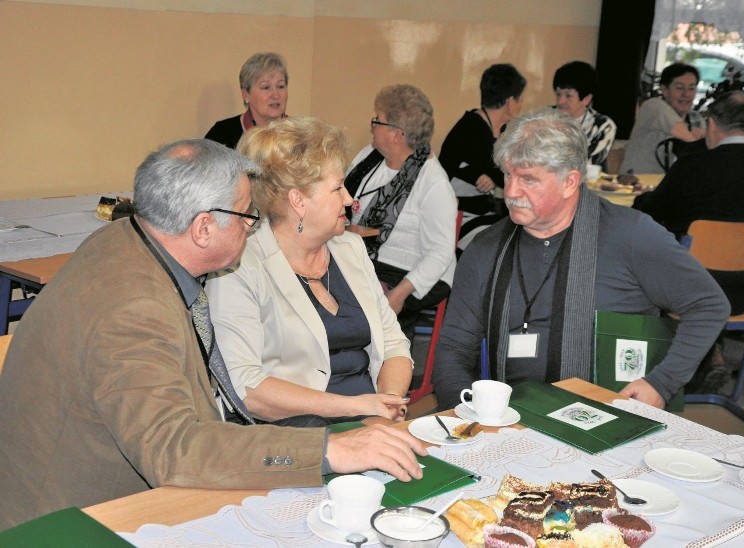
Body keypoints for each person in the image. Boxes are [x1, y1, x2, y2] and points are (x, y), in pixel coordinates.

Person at [0, 139, 425, 530]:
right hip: (72, 516)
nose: (254, 225)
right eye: (246, 216)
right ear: (203, 228)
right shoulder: (135, 309)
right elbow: (174, 448)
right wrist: (332, 449)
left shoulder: (127, 240)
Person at [432, 109, 729, 411]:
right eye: (507, 174)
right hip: (512, 418)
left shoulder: (630, 236)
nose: (510, 191)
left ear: (570, 182)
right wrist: (466, 413)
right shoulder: (486, 248)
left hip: (611, 417)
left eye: (528, 179)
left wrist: (661, 383)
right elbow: (454, 349)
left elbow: (708, 305)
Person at [207, 117, 413, 426]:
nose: (350, 199)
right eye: (338, 188)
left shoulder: (350, 248)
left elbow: (394, 343)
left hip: (369, 420)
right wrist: (352, 408)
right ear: (298, 201)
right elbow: (246, 387)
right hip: (291, 436)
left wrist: (387, 408)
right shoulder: (239, 264)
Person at [633, 90, 744, 315]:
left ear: (713, 123)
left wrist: (642, 199)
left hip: (686, 291)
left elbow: (650, 213)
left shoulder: (693, 166)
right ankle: (710, 345)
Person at [344, 84, 457, 338]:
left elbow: (440, 252)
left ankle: (383, 370)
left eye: (378, 120)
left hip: (413, 272)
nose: (372, 125)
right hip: (365, 259)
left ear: (397, 134)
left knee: (360, 297)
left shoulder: (433, 182)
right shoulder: (369, 156)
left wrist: (399, 293)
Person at [439, 64, 526, 252]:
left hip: (477, 210)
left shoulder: (493, 128)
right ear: (510, 101)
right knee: (515, 241)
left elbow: (495, 174)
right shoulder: (473, 129)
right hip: (455, 217)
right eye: (519, 100)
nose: (519, 106)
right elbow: (504, 176)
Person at [621, 63, 706, 174]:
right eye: (680, 88)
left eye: (691, 88)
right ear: (664, 90)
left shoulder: (696, 119)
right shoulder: (653, 106)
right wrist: (698, 142)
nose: (686, 94)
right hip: (635, 183)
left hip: (671, 186)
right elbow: (690, 142)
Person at [205, 52, 289, 149]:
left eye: (281, 86)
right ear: (246, 94)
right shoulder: (222, 134)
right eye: (266, 87)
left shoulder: (300, 136)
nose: (275, 95)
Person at [552, 61, 617, 169]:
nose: (560, 101)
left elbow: (586, 164)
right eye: (558, 94)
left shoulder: (603, 126)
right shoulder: (544, 118)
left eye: (568, 96)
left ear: (586, 99)